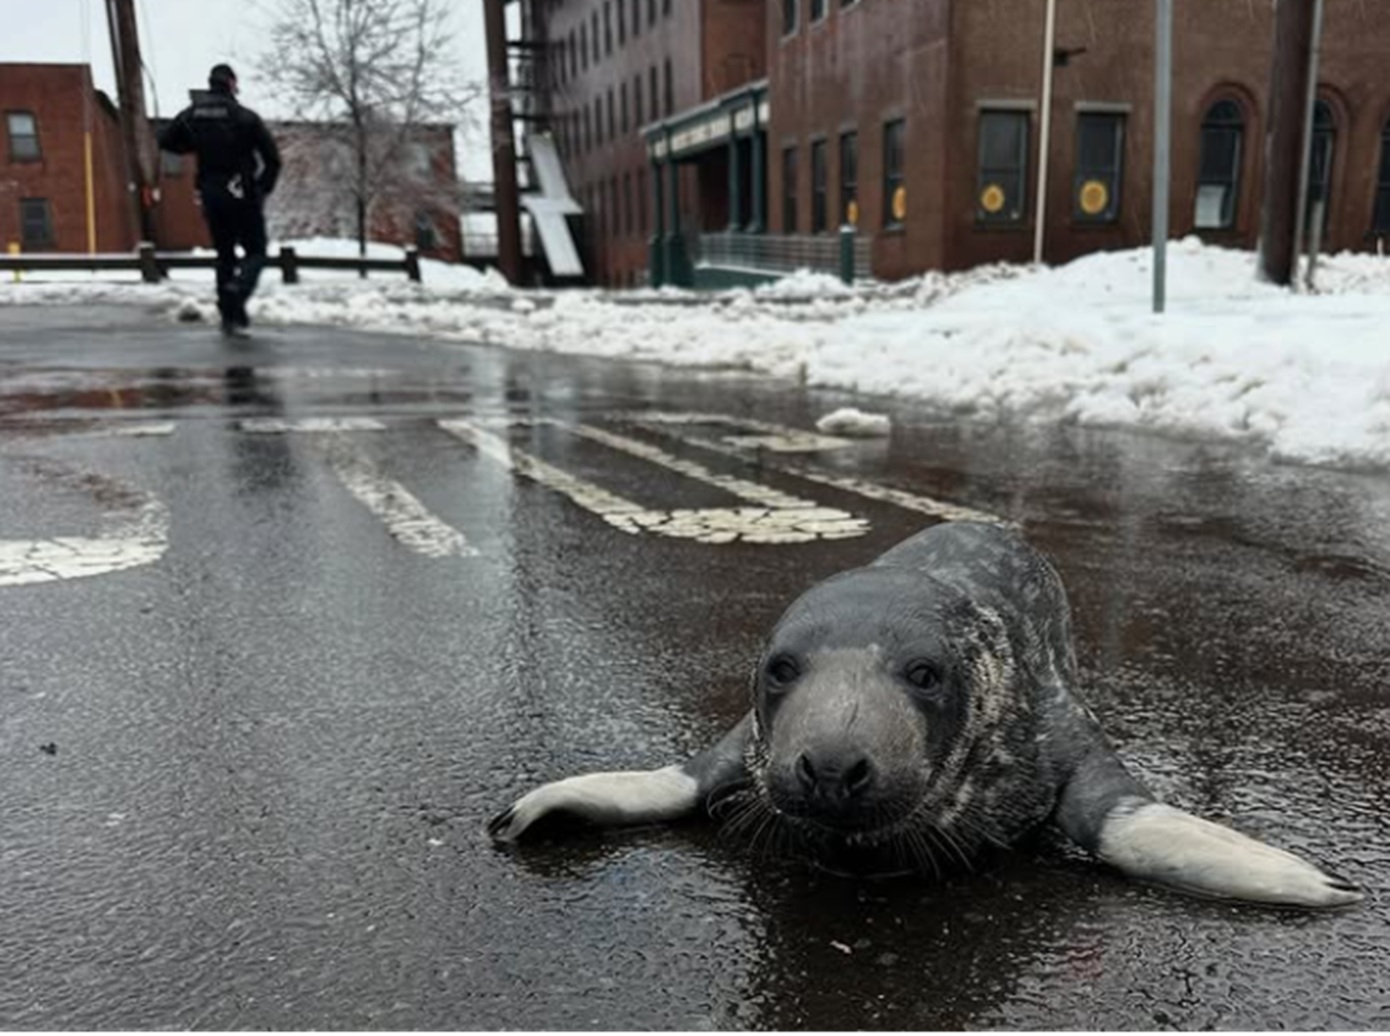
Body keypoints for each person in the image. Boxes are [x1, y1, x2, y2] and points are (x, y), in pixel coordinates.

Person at [158, 64, 281, 336]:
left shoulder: (193, 115)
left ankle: (230, 316)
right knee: (256, 251)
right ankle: (239, 288)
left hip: (211, 193)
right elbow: (272, 159)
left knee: (224, 254)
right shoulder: (245, 117)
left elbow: (165, 140)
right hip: (242, 191)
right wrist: (261, 189)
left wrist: (194, 146)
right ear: (232, 84)